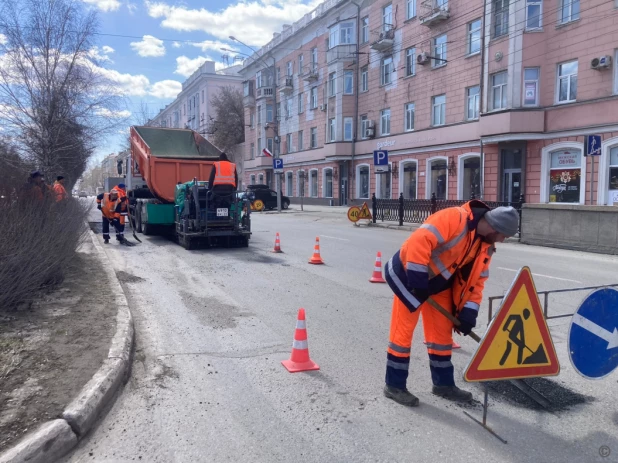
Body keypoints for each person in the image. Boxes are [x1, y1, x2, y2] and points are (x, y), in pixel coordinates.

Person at [383, 200, 520, 406]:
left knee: (441, 338)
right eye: (504, 236)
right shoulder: (454, 218)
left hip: (439, 286)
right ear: (495, 228)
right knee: (402, 335)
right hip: (410, 278)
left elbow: (477, 282)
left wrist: (467, 314)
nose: (503, 240)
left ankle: (443, 385)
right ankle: (394, 386)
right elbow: (419, 241)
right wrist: (418, 280)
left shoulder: (485, 246)